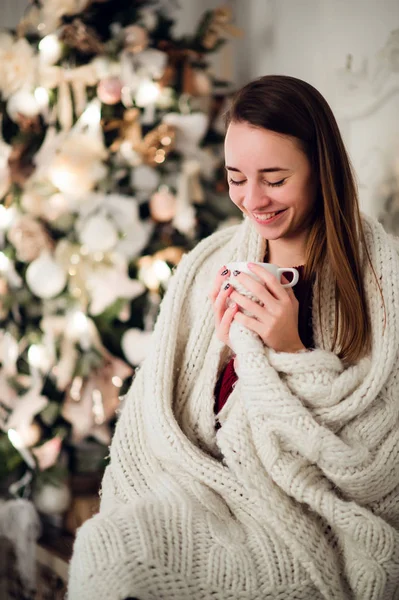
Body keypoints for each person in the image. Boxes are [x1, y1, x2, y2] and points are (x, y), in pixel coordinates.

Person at [68, 75, 399, 600]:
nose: (252, 199)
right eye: (236, 178)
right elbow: (164, 421)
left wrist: (289, 353)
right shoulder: (209, 264)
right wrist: (228, 353)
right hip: (207, 494)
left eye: (274, 178)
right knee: (106, 546)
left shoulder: (381, 283)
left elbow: (376, 463)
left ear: (320, 169)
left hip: (299, 520)